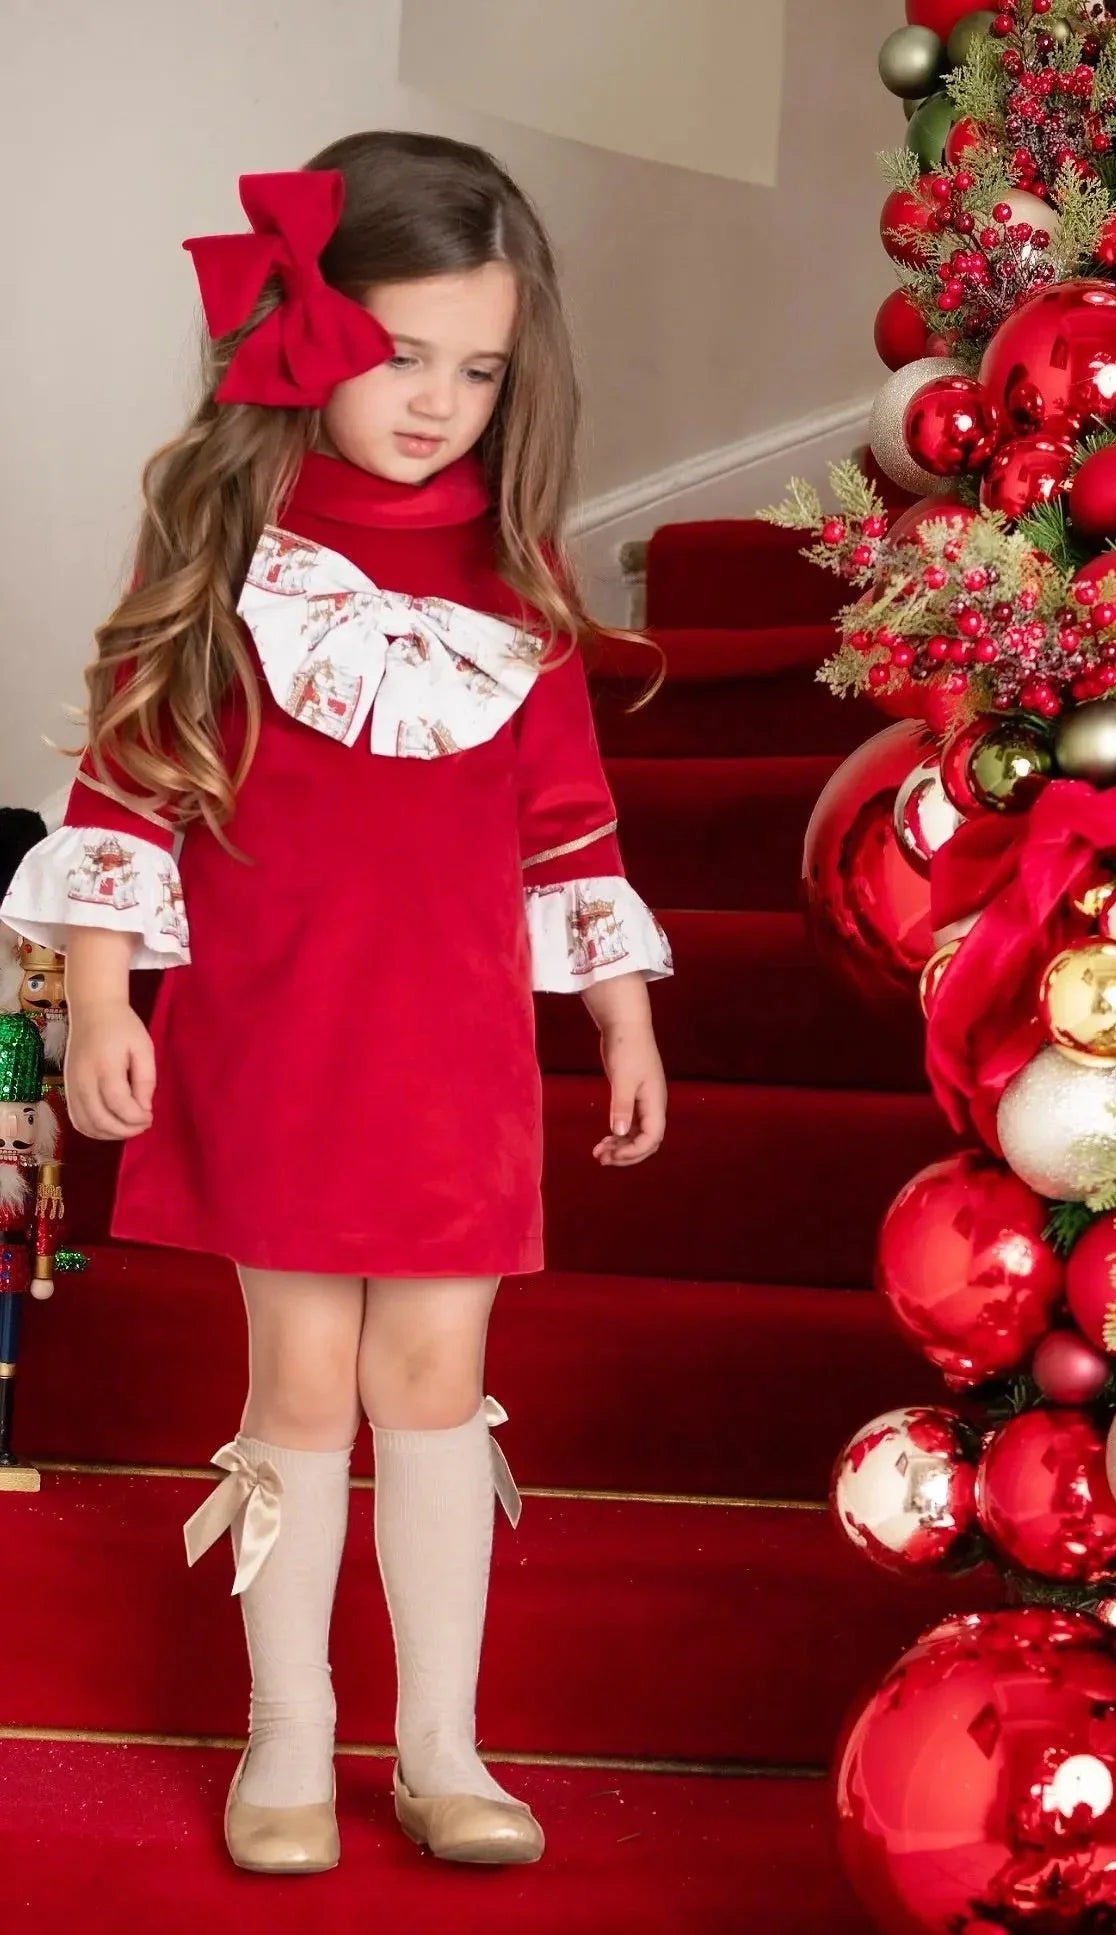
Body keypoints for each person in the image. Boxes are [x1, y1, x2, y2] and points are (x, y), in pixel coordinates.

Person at [2, 131, 671, 1877]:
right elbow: (134, 783)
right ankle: (287, 1735)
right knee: (301, 1380)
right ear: (306, 339)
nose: (438, 401)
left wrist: (619, 1013)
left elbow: (566, 818)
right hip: (276, 1031)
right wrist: (99, 998)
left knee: (436, 1376)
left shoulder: (517, 572)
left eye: (479, 369)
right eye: (399, 355)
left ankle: (442, 1748)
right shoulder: (231, 542)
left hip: (454, 1050)